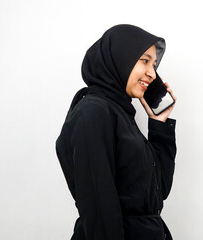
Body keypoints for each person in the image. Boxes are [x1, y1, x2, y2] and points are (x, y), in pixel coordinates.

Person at [55, 24, 177, 240]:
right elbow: (99, 211)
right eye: (145, 60)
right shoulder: (94, 112)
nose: (152, 73)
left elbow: (160, 191)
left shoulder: (121, 115)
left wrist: (159, 125)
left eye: (155, 65)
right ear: (121, 58)